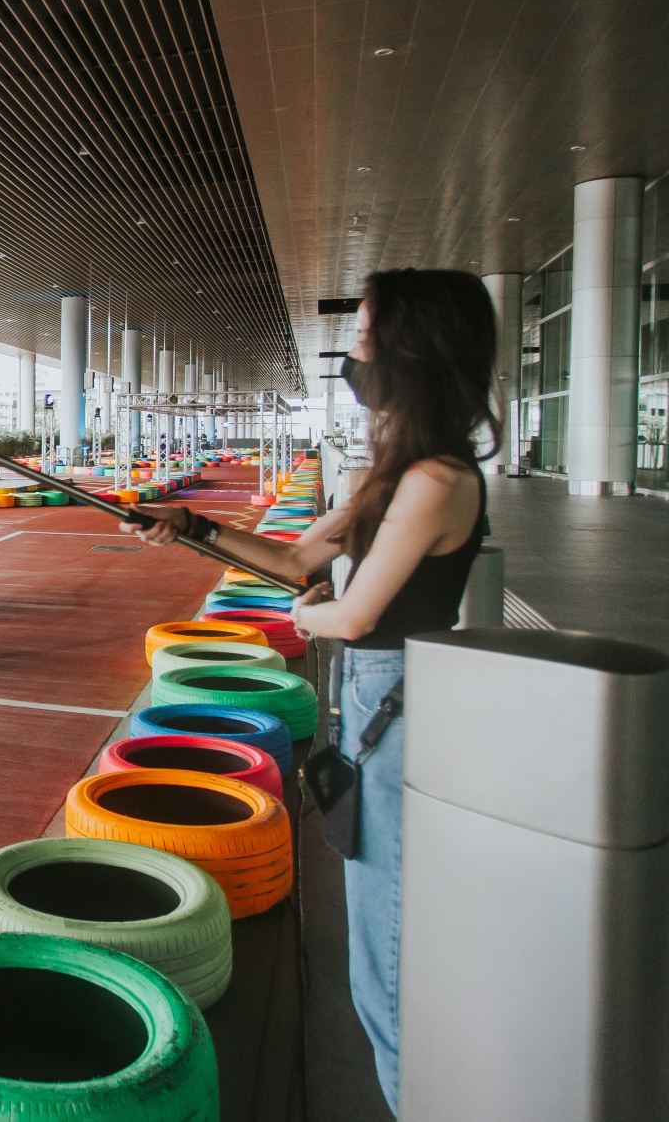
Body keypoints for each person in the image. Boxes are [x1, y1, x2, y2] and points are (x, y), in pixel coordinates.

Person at [120, 267, 495, 1110]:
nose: (354, 353)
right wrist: (193, 528)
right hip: (374, 704)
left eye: (365, 337)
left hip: (399, 706)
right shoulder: (398, 475)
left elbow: (354, 615)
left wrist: (309, 616)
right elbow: (294, 560)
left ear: (413, 349)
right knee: (374, 947)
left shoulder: (436, 479)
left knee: (386, 963)